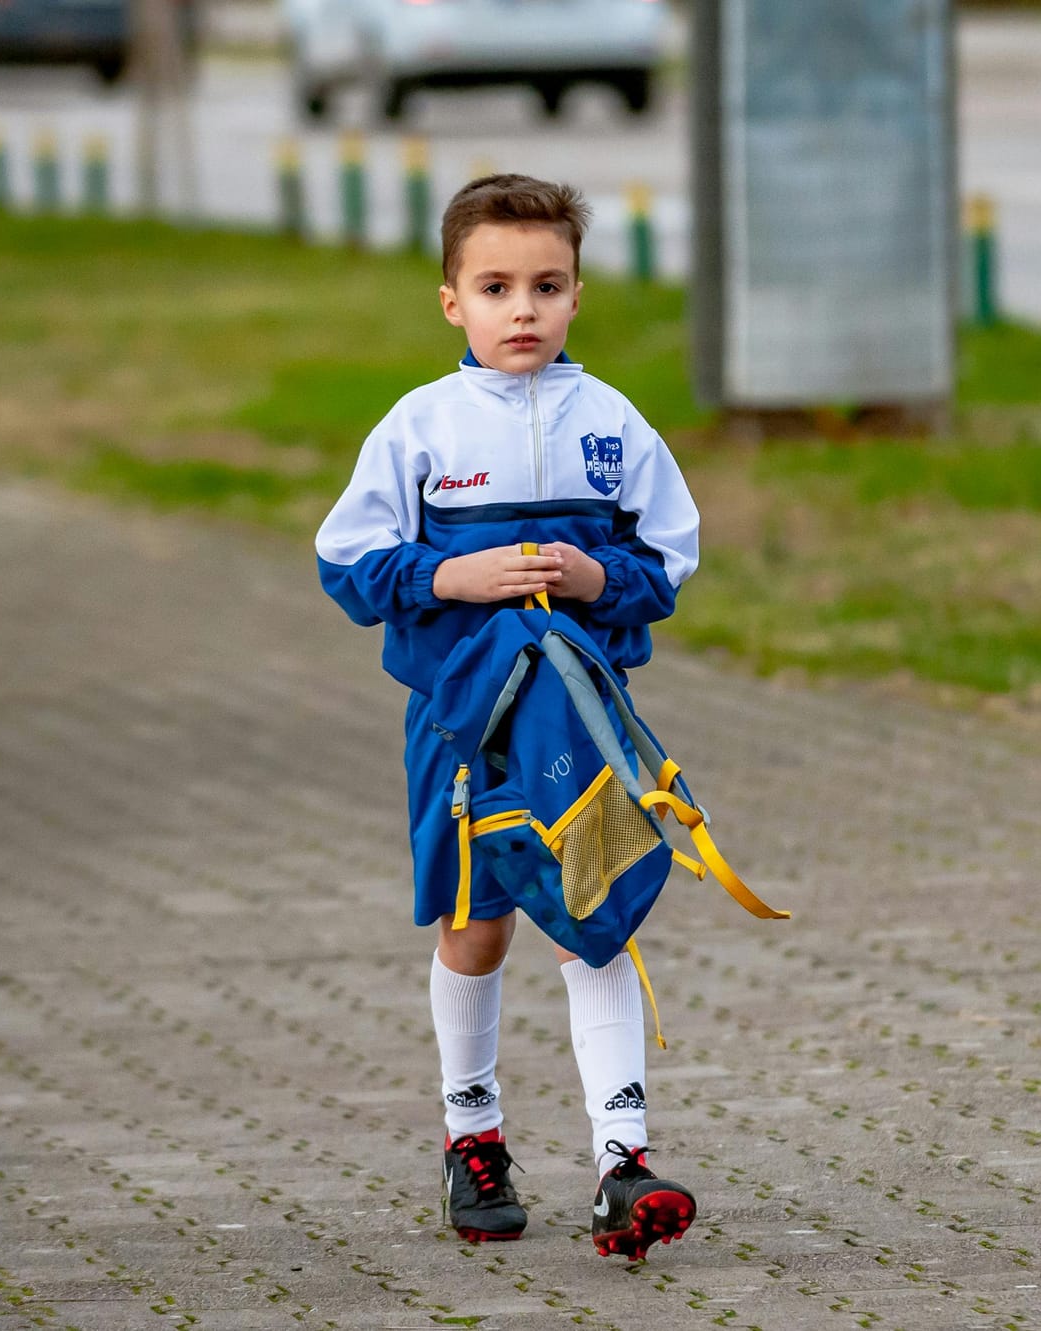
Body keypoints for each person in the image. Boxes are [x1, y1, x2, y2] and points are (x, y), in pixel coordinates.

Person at [314, 175, 701, 1260]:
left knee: (597, 917)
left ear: (577, 294)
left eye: (545, 284)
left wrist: (593, 574)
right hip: (461, 731)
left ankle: (624, 1164)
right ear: (451, 302)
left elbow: (665, 559)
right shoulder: (420, 427)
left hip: (580, 722)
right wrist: (452, 575)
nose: (520, 308)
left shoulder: (612, 426)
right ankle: (470, 1137)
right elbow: (346, 564)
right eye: (495, 287)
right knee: (476, 928)